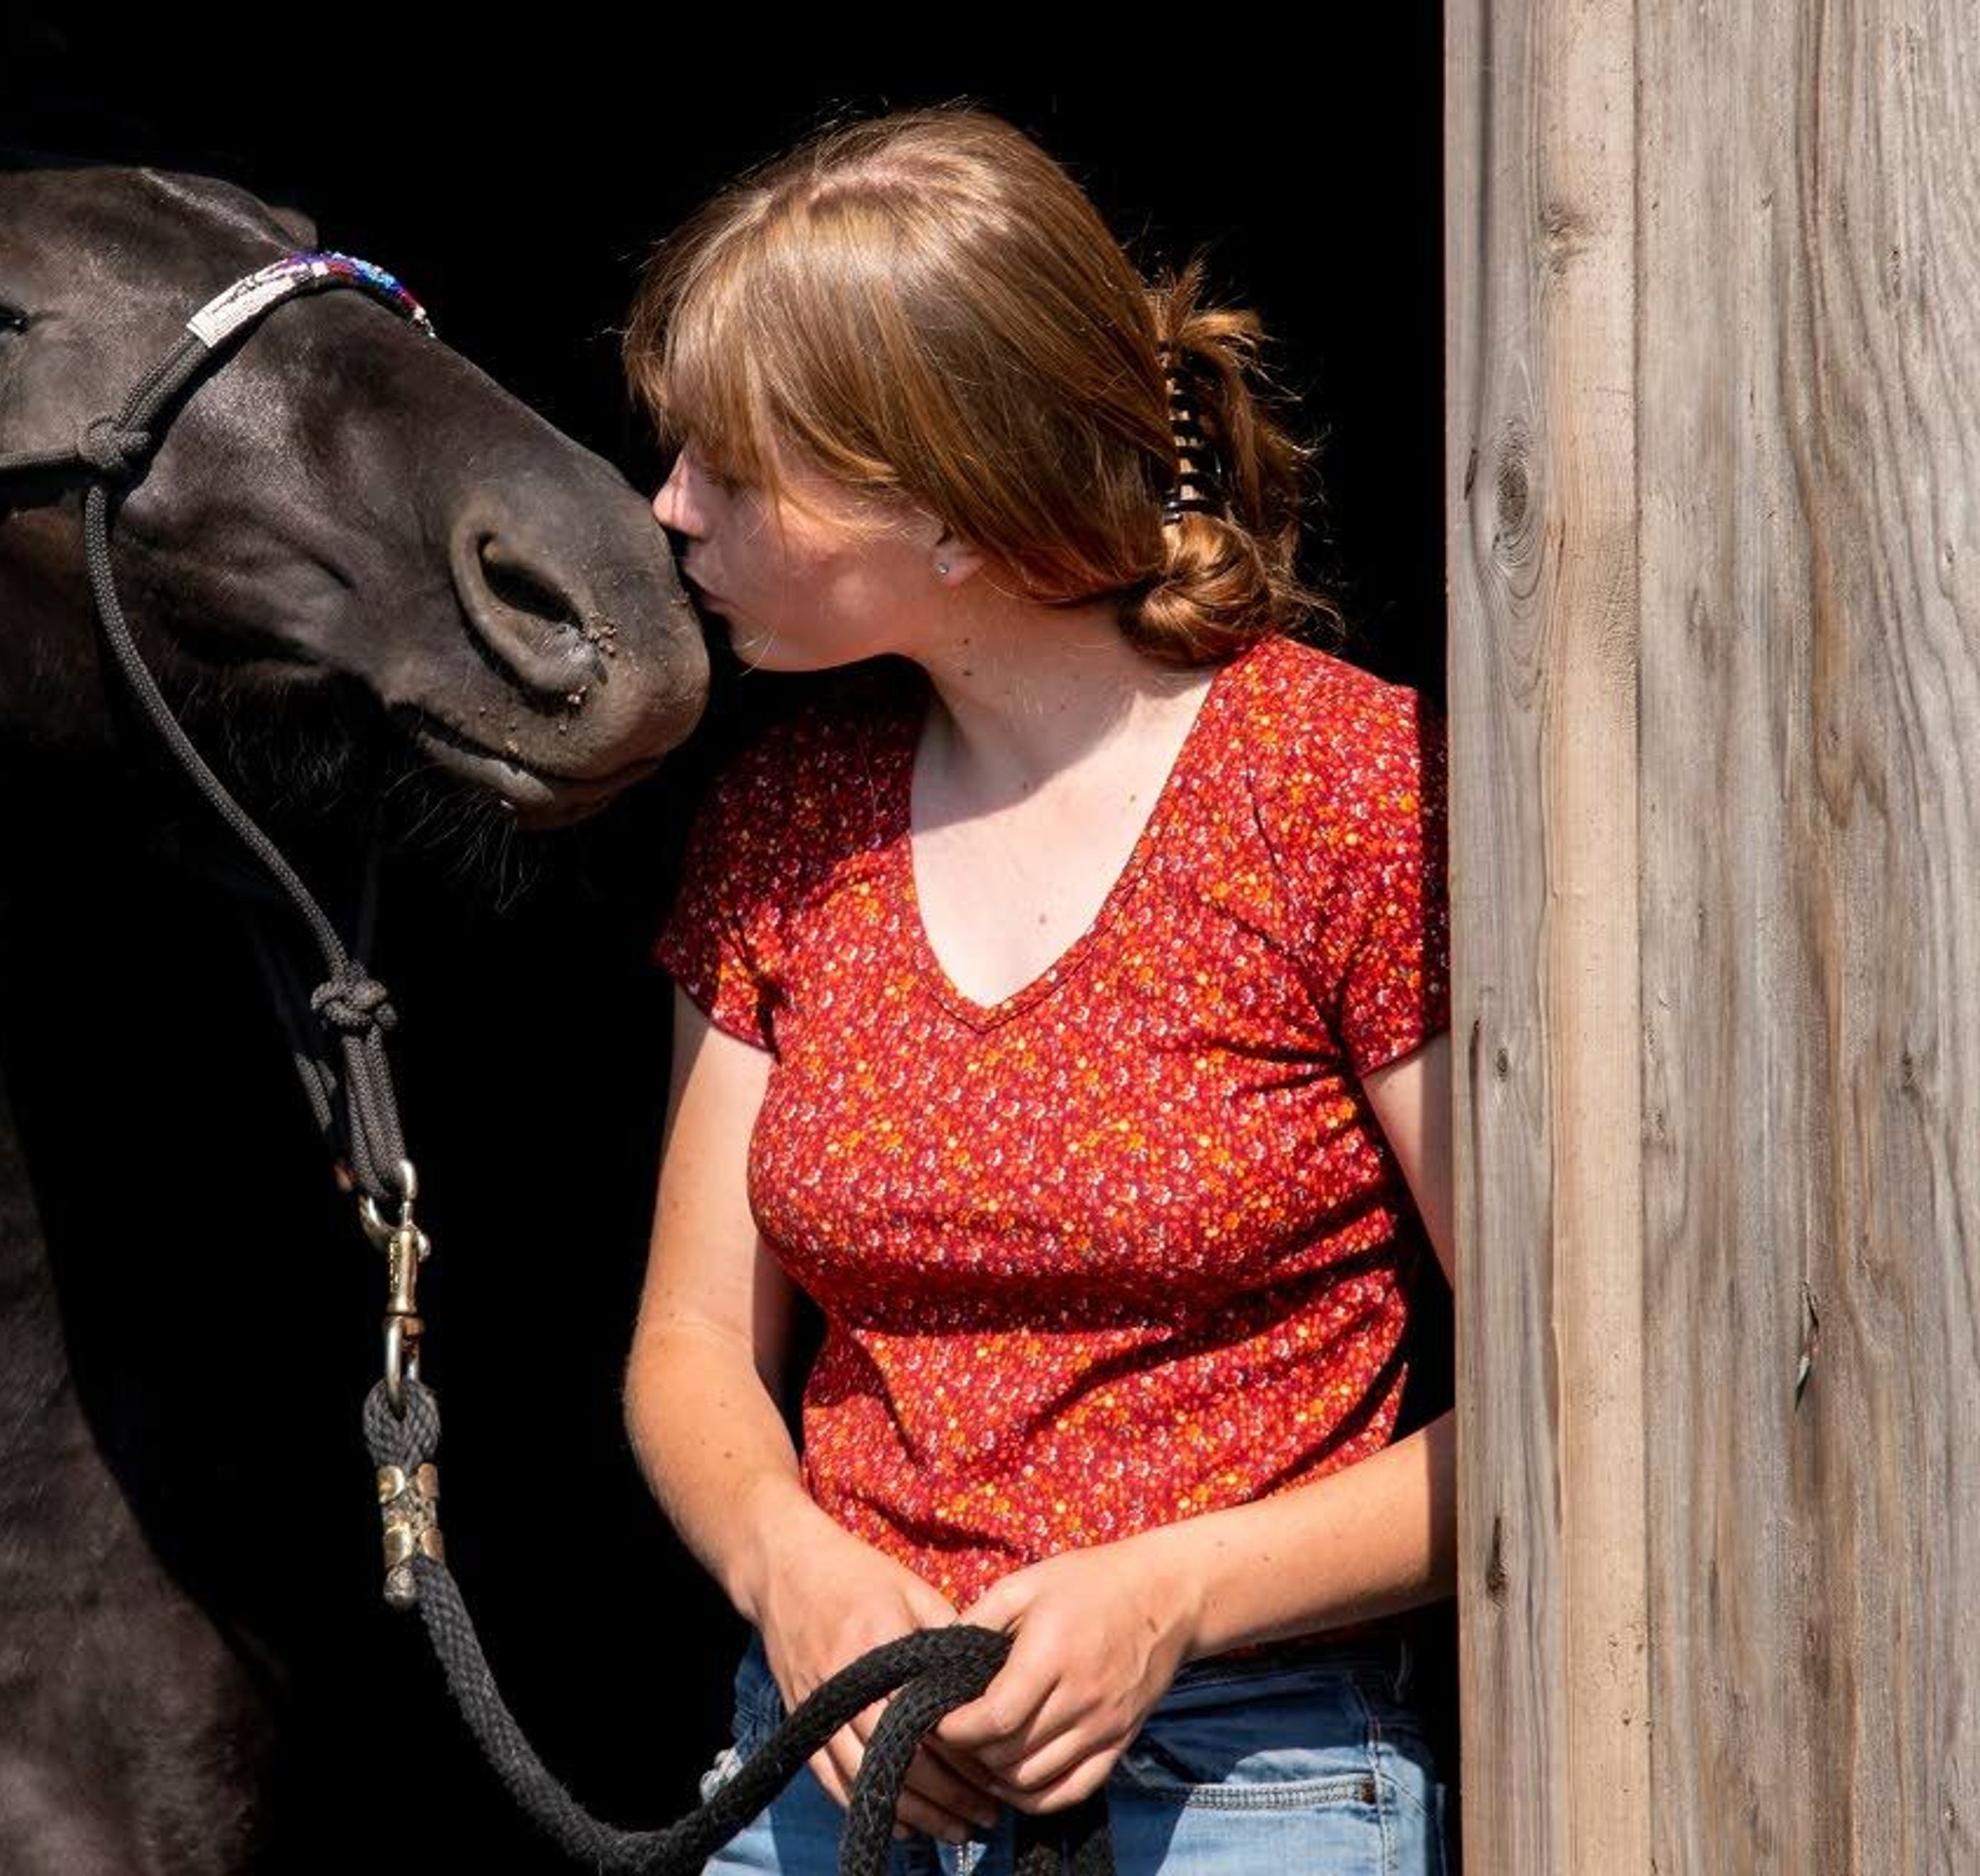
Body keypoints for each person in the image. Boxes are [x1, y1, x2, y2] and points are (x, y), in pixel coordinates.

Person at [618, 106, 1457, 1875]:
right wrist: (794, 1568)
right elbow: (691, 1342)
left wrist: (1174, 1593)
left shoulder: (1342, 788)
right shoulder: (784, 813)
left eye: (731, 468)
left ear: (941, 499)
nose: (667, 506)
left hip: (1248, 1765)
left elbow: (1562, 1392)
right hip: (831, 1760)